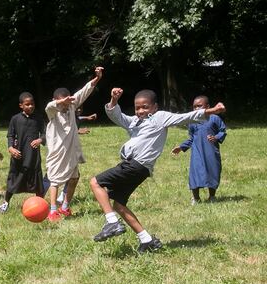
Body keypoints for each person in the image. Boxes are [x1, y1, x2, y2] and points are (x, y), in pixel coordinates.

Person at [90, 87, 226, 253]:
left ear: (155, 107)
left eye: (145, 107)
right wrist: (114, 101)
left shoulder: (160, 117)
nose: (141, 111)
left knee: (95, 182)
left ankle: (112, 222)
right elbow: (115, 115)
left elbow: (185, 117)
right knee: (119, 205)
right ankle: (147, 240)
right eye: (137, 107)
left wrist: (212, 110)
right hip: (138, 168)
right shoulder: (134, 122)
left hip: (135, 165)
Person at [44, 67, 103, 221]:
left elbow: (84, 91)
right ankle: (52, 210)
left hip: (71, 152)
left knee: (74, 178)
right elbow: (49, 106)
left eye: (67, 101)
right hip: (57, 152)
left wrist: (97, 78)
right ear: (56, 100)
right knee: (55, 181)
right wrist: (59, 102)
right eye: (62, 103)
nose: (65, 106)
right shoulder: (53, 112)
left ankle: (65, 207)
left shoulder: (71, 105)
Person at [171, 95, 227, 204]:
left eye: (199, 106)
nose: (196, 109)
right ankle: (195, 198)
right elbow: (192, 138)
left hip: (211, 151)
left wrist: (216, 137)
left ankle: (212, 196)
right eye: (194, 107)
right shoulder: (193, 121)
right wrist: (181, 147)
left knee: (213, 171)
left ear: (208, 106)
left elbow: (222, 131)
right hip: (197, 152)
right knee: (195, 173)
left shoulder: (215, 118)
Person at [0, 92, 46, 213]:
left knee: (37, 180)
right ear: (21, 105)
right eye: (27, 104)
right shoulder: (15, 119)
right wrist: (10, 148)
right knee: (14, 179)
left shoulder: (38, 118)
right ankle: (5, 203)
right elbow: (10, 135)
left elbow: (46, 134)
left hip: (33, 156)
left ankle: (41, 207)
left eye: (32, 104)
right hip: (19, 155)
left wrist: (40, 139)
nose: (31, 106)